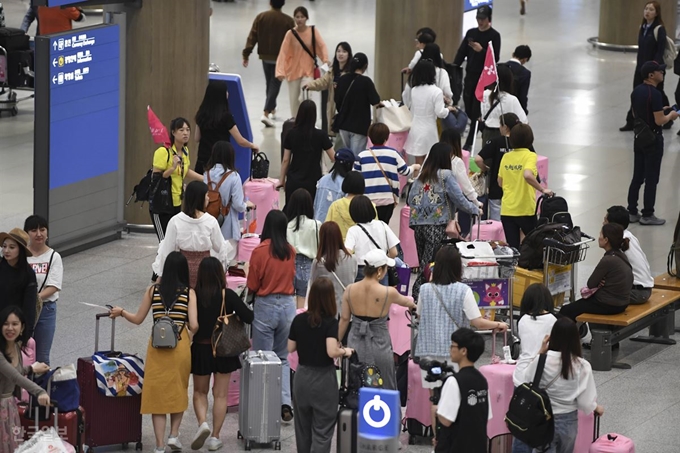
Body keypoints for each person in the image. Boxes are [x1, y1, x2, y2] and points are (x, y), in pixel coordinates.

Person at [109, 252, 198, 453]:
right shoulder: (188, 293)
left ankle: (159, 446)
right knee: (178, 389)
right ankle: (174, 435)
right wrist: (189, 333)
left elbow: (138, 318)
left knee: (157, 395)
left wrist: (121, 311)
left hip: (157, 348)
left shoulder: (153, 291)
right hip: (180, 346)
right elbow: (194, 324)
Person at [417, 247, 507, 429]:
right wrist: (498, 325)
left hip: (428, 353)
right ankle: (454, 437)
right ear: (458, 267)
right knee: (456, 396)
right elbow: (478, 322)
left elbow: (419, 315)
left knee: (435, 398)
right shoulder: (463, 290)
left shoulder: (425, 289)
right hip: (455, 354)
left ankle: (438, 441)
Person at [190, 257, 253, 451]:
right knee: (220, 395)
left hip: (201, 348)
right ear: (219, 274)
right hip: (224, 350)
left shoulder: (194, 295)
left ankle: (203, 424)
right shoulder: (228, 295)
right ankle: (215, 437)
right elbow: (249, 317)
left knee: (199, 392)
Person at [408, 143, 481, 300]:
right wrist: (475, 209)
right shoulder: (446, 175)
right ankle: (417, 296)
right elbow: (459, 198)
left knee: (424, 260)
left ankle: (422, 297)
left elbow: (409, 200)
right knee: (429, 264)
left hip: (418, 225)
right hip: (435, 225)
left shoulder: (421, 176)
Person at [288, 278, 354, 453]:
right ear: (330, 298)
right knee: (323, 430)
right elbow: (331, 351)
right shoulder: (330, 322)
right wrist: (345, 351)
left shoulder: (299, 319)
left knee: (302, 429)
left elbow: (290, 347)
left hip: (301, 377)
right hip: (324, 379)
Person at [521, 318, 605, 453]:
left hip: (542, 419)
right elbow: (585, 402)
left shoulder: (542, 360)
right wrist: (596, 408)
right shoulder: (582, 365)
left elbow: (526, 378)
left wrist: (540, 352)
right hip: (568, 421)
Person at [338, 249, 416, 390]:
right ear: (379, 270)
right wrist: (413, 306)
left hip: (355, 341)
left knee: (357, 383)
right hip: (379, 342)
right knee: (385, 383)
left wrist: (337, 341)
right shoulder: (388, 292)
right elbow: (406, 302)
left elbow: (344, 319)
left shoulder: (350, 289)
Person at [247, 210, 297, 422]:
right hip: (287, 306)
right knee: (283, 358)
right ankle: (285, 402)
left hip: (266, 306)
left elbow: (253, 284)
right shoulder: (290, 251)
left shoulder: (260, 251)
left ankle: (264, 403)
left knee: (262, 358)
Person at [152, 181, 232, 288]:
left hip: (181, 270)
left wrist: (161, 275)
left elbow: (167, 251)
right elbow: (221, 248)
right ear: (200, 198)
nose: (208, 198)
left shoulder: (176, 221)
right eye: (207, 195)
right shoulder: (210, 221)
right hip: (205, 271)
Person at [626, 60, 677, 226]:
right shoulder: (655, 94)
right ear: (651, 75)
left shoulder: (637, 91)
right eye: (659, 71)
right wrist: (671, 116)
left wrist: (662, 109)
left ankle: (632, 211)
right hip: (654, 140)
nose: (662, 73)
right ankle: (648, 214)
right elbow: (659, 120)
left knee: (637, 176)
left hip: (640, 138)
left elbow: (636, 113)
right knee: (651, 178)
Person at [510, 284, 559, 453]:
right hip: (542, 374)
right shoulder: (553, 321)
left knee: (521, 422)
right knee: (542, 422)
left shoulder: (522, 320)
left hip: (521, 375)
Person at [0, 306, 51, 452]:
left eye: (15, 324)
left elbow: (12, 372)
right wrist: (40, 391)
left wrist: (31, 369)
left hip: (8, 406)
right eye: (5, 324)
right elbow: (15, 376)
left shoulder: (16, 347)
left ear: (22, 327)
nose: (10, 328)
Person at [560, 224, 633, 322]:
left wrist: (600, 282)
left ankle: (567, 334)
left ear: (606, 240)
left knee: (566, 310)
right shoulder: (621, 256)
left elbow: (591, 284)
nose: (599, 238)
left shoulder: (608, 260)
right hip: (623, 303)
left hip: (608, 304)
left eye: (600, 235)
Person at [435, 328, 491, 453]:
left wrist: (437, 409)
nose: (450, 349)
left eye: (453, 345)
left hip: (456, 446)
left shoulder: (454, 381)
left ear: (463, 351)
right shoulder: (482, 380)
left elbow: (446, 420)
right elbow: (486, 415)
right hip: (478, 446)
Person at [453, 5, 501, 150]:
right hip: (471, 75)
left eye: (483, 19)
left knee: (476, 109)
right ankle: (481, 127)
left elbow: (495, 58)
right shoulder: (471, 33)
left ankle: (469, 141)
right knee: (468, 106)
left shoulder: (494, 36)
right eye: (478, 19)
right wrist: (454, 67)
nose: (480, 22)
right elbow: (462, 52)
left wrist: (482, 51)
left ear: (489, 19)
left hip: (484, 79)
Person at [498, 124, 553, 249]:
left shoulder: (506, 156)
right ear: (530, 139)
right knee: (533, 245)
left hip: (507, 210)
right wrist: (542, 189)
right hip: (525, 209)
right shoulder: (530, 155)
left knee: (513, 249)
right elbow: (527, 174)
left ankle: (514, 268)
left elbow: (500, 182)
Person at [242, 0, 296, 127]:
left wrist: (246, 53)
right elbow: (294, 41)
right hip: (281, 57)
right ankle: (266, 112)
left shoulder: (261, 17)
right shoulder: (288, 21)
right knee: (275, 84)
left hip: (265, 56)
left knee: (270, 82)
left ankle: (272, 108)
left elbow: (252, 36)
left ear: (270, 3)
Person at [150, 117, 204, 242]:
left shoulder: (185, 151)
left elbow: (185, 171)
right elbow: (157, 177)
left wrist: (205, 179)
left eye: (188, 130)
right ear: (173, 132)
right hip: (162, 203)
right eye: (181, 130)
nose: (185, 133)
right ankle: (161, 262)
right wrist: (173, 167)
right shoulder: (163, 152)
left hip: (177, 202)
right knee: (164, 243)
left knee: (175, 241)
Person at [621, 1, 671, 132]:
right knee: (637, 93)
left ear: (657, 13)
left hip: (654, 70)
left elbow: (659, 51)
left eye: (651, 10)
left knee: (658, 93)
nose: (647, 12)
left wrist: (654, 68)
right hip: (640, 68)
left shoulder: (659, 29)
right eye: (646, 9)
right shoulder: (642, 27)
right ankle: (631, 121)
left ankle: (668, 117)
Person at [355, 123, 419, 223]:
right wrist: (415, 167)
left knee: (369, 226)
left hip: (367, 201)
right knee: (384, 226)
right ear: (386, 137)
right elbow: (405, 171)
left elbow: (355, 177)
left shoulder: (361, 156)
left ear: (370, 137)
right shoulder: (393, 154)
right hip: (387, 199)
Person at [275, 6, 329, 118]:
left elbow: (321, 45)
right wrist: (280, 71)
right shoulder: (290, 34)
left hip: (308, 71)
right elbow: (283, 53)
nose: (299, 19)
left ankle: (308, 120)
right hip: (292, 71)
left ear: (306, 18)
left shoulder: (313, 31)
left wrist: (325, 59)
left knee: (306, 96)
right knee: (294, 101)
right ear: (294, 18)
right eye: (297, 17)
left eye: (302, 17)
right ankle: (295, 122)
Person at [194, 80, 258, 174]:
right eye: (226, 91)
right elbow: (240, 140)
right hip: (220, 162)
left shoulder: (201, 113)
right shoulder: (225, 116)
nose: (228, 94)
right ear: (221, 95)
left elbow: (196, 138)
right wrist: (252, 145)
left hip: (203, 161)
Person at [278, 100, 335, 205]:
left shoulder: (291, 133)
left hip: (294, 180)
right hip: (313, 181)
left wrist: (281, 180)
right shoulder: (321, 135)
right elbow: (333, 157)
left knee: (291, 212)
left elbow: (286, 160)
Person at [475, 113, 530, 221]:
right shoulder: (523, 143)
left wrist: (485, 169)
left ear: (505, 127)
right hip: (518, 189)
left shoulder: (495, 142)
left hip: (497, 188)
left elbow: (478, 159)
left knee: (497, 224)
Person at [24, 215, 63, 365]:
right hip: (23, 309)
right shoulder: (22, 256)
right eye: (34, 230)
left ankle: (41, 388)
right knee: (23, 354)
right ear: (27, 233)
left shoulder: (54, 257)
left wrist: (35, 299)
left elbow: (54, 286)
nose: (39, 234)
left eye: (42, 229)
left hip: (46, 310)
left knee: (42, 356)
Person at [402, 60, 457, 165]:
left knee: (418, 163)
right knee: (430, 162)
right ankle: (428, 181)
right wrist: (448, 109)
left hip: (416, 127)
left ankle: (415, 180)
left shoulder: (414, 90)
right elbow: (440, 112)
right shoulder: (436, 91)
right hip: (429, 129)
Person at [334, 53, 383, 157]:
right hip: (359, 126)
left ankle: (344, 173)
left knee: (346, 157)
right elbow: (375, 101)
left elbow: (336, 100)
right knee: (356, 159)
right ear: (365, 66)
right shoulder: (366, 82)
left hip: (343, 124)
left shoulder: (342, 79)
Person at [203, 141, 249, 250]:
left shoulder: (207, 174)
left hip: (208, 225)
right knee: (228, 262)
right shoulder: (233, 176)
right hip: (228, 228)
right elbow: (238, 205)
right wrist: (246, 205)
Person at [604, 206, 654, 304]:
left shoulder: (617, 241)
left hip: (636, 292)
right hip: (645, 289)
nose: (603, 224)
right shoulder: (629, 236)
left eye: (605, 221)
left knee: (599, 296)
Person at [344, 195, 399, 283]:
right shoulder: (382, 225)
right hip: (381, 267)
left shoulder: (353, 230)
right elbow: (394, 252)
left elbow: (347, 253)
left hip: (362, 269)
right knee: (382, 295)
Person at [304, 42, 353, 137]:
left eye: (344, 51)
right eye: (338, 51)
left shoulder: (351, 73)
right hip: (334, 107)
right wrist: (310, 85)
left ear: (349, 54)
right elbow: (323, 82)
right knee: (335, 132)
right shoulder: (332, 71)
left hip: (346, 108)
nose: (341, 54)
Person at [310, 221, 357, 315]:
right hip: (347, 310)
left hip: (327, 310)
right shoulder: (352, 259)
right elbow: (353, 277)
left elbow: (313, 286)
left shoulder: (318, 262)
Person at [285, 189, 322, 308]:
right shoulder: (316, 224)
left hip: (289, 264)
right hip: (308, 265)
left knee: (289, 300)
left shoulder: (286, 225)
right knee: (303, 303)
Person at [440, 129, 480, 236]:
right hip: (444, 210)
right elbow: (467, 188)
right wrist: (477, 204)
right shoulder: (456, 161)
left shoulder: (431, 156)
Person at [0, 228, 37, 337]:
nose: (6, 250)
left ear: (20, 250)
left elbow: (29, 308)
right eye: (4, 246)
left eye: (12, 247)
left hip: (14, 329)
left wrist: (26, 335)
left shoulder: (28, 274)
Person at [480, 63, 527, 144]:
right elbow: (524, 121)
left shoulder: (483, 95)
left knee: (486, 155)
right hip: (505, 135)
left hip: (487, 134)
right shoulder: (511, 99)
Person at [325, 171, 373, 240]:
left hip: (340, 246)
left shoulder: (335, 206)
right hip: (363, 246)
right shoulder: (369, 205)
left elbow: (327, 228)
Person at [313, 148, 355, 222]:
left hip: (318, 224)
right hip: (334, 228)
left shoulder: (323, 180)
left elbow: (315, 205)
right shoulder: (345, 184)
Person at [505, 45, 532, 115]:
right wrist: (524, 112)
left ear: (513, 54)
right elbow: (523, 95)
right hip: (512, 108)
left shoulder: (498, 67)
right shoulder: (525, 73)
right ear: (525, 59)